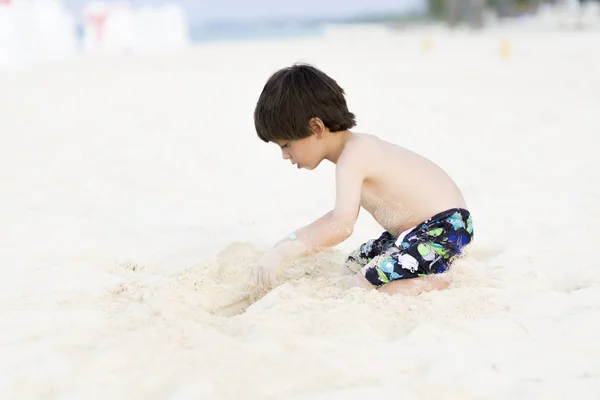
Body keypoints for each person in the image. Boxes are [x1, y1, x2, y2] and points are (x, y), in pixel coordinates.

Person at [252, 63, 474, 296]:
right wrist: (283, 244)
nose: (285, 155)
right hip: (412, 233)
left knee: (365, 284)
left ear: (316, 127)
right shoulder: (351, 155)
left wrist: (287, 253)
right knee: (353, 264)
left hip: (445, 227)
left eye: (287, 145)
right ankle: (429, 274)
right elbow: (336, 218)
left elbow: (341, 226)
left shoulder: (355, 154)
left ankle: (444, 282)